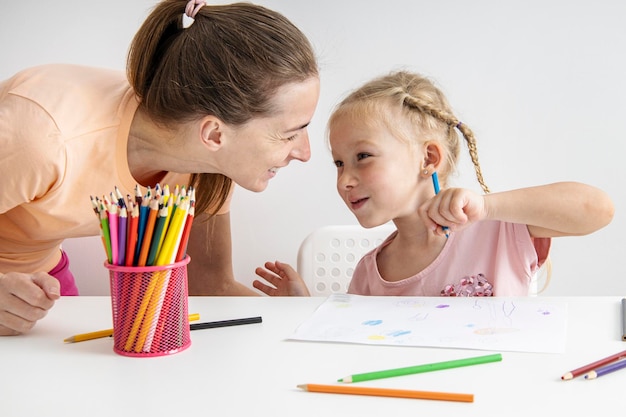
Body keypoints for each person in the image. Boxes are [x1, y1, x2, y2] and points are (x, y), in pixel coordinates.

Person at [0, 0, 320, 335]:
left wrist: (299, 315)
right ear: (214, 133)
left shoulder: (208, 165)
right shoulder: (41, 138)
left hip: (38, 283)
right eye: (291, 133)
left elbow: (209, 284)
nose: (305, 152)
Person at [253, 70, 614, 297]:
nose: (345, 180)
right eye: (339, 163)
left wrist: (488, 206)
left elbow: (598, 210)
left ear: (429, 159)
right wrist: (303, 309)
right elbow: (353, 355)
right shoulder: (369, 274)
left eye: (363, 157)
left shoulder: (496, 229)